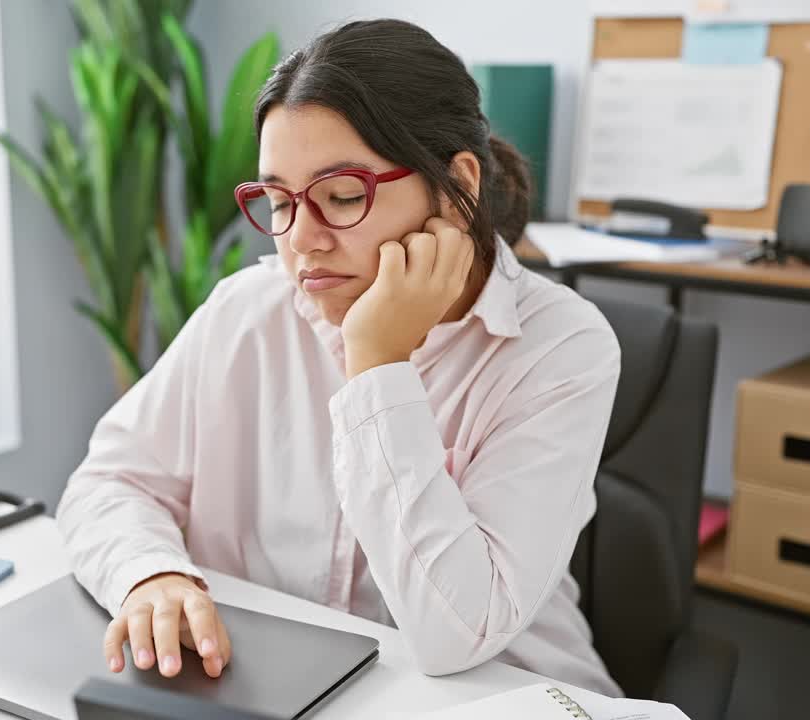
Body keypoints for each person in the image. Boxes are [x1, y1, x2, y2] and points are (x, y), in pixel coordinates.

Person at [57, 18, 622, 696]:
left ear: (456, 186)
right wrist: (151, 573)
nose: (301, 240)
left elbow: (455, 635)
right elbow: (108, 483)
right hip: (275, 688)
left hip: (502, 696)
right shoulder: (248, 310)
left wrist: (378, 363)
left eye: (343, 196)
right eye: (278, 200)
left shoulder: (563, 346)